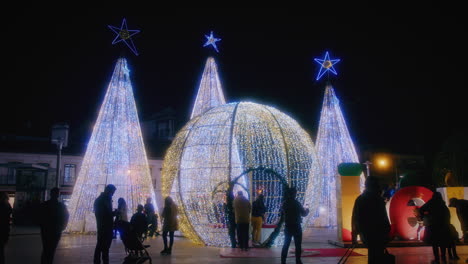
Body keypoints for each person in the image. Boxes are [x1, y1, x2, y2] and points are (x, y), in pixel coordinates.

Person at [352, 176, 391, 264]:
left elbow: (356, 217)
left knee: (373, 255)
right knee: (377, 255)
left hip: (367, 232)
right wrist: (387, 231)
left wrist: (355, 235)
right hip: (379, 232)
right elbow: (383, 217)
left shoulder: (361, 199)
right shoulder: (378, 199)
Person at [419, 192, 452, 264]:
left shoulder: (431, 203)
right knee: (442, 242)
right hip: (443, 226)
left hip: (433, 225)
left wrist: (424, 217)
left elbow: (421, 210)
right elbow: (447, 215)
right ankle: (443, 258)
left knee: (435, 243)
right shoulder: (442, 204)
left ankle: (437, 259)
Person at [38, 187, 69, 264]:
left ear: (50, 194)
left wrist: (42, 226)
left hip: (46, 230)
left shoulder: (44, 205)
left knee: (46, 249)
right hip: (56, 231)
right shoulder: (61, 206)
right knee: (51, 250)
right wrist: (62, 227)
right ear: (58, 195)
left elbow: (39, 217)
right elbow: (66, 216)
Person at [281, 187, 309, 264]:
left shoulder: (285, 203)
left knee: (286, 244)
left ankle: (283, 261)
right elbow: (304, 214)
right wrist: (307, 209)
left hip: (288, 226)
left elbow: (282, 214)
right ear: (294, 194)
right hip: (296, 226)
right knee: (298, 245)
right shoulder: (297, 203)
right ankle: (298, 261)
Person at [94, 184, 117, 264]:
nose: (113, 194)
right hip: (104, 227)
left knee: (103, 247)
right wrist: (114, 213)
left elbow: (107, 214)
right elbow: (104, 215)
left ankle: (103, 261)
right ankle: (99, 262)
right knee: (101, 246)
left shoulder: (105, 199)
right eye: (112, 192)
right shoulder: (102, 200)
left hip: (105, 227)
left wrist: (113, 213)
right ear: (108, 191)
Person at [0, 192, 12, 264]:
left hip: (2, 230)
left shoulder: (2, 206)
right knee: (1, 250)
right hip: (5, 231)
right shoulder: (8, 205)